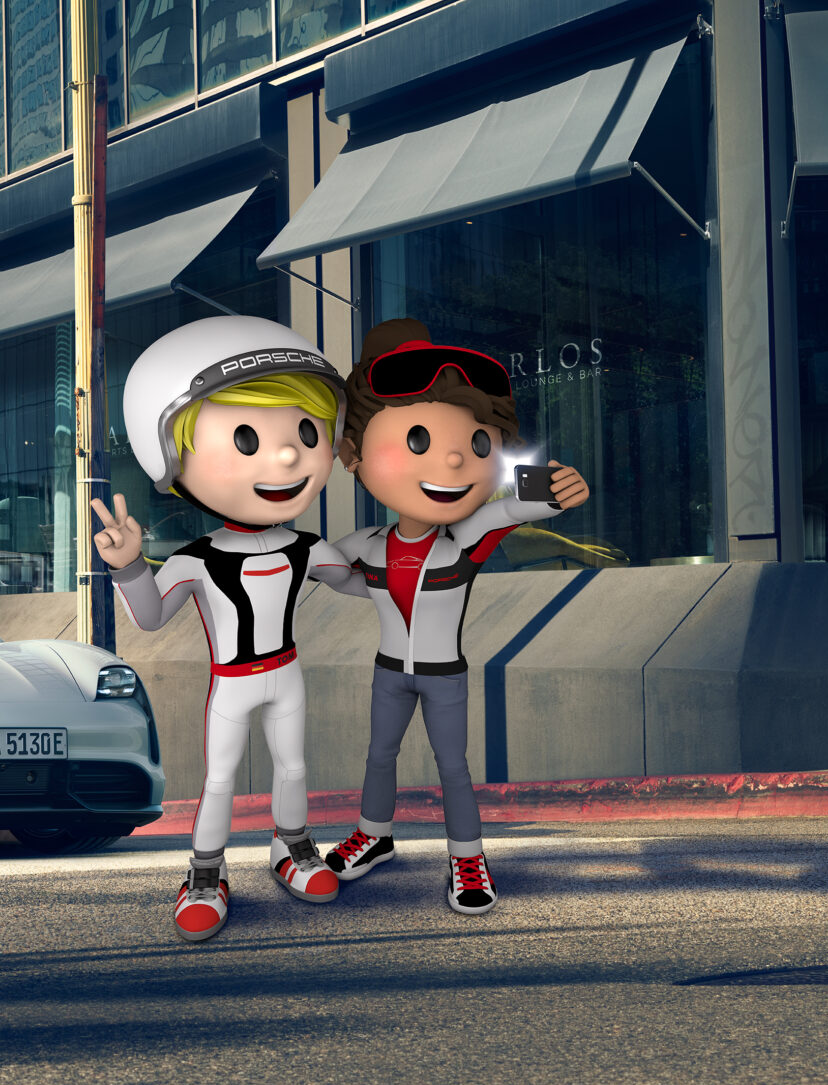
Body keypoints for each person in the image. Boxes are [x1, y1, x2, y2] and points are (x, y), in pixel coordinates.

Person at [92, 316, 360, 943]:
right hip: (233, 685)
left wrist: (397, 547)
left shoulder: (304, 545)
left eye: (305, 430)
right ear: (170, 456)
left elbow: (351, 578)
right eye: (245, 437)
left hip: (286, 675)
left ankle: (292, 847)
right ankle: (204, 874)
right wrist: (130, 566)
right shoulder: (195, 558)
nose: (291, 454)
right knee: (218, 780)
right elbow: (151, 617)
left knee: (293, 769)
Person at [322, 318, 591, 915]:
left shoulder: (465, 535)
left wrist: (558, 491)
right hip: (389, 671)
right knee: (378, 755)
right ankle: (374, 834)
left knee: (453, 767)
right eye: (416, 440)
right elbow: (330, 571)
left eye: (476, 445)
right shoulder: (368, 543)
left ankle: (467, 858)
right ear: (354, 454)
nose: (451, 459)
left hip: (444, 675)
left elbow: (512, 509)